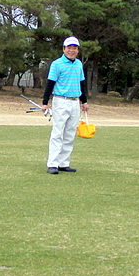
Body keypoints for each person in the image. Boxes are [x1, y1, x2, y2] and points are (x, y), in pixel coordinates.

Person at [42, 36, 89, 175]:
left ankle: (64, 163)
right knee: (58, 132)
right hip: (61, 100)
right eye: (69, 48)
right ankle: (53, 164)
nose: (71, 50)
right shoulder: (57, 64)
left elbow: (81, 84)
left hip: (75, 101)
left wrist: (84, 101)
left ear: (78, 50)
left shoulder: (79, 64)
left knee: (69, 133)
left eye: (74, 48)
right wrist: (45, 103)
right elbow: (50, 84)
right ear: (64, 49)